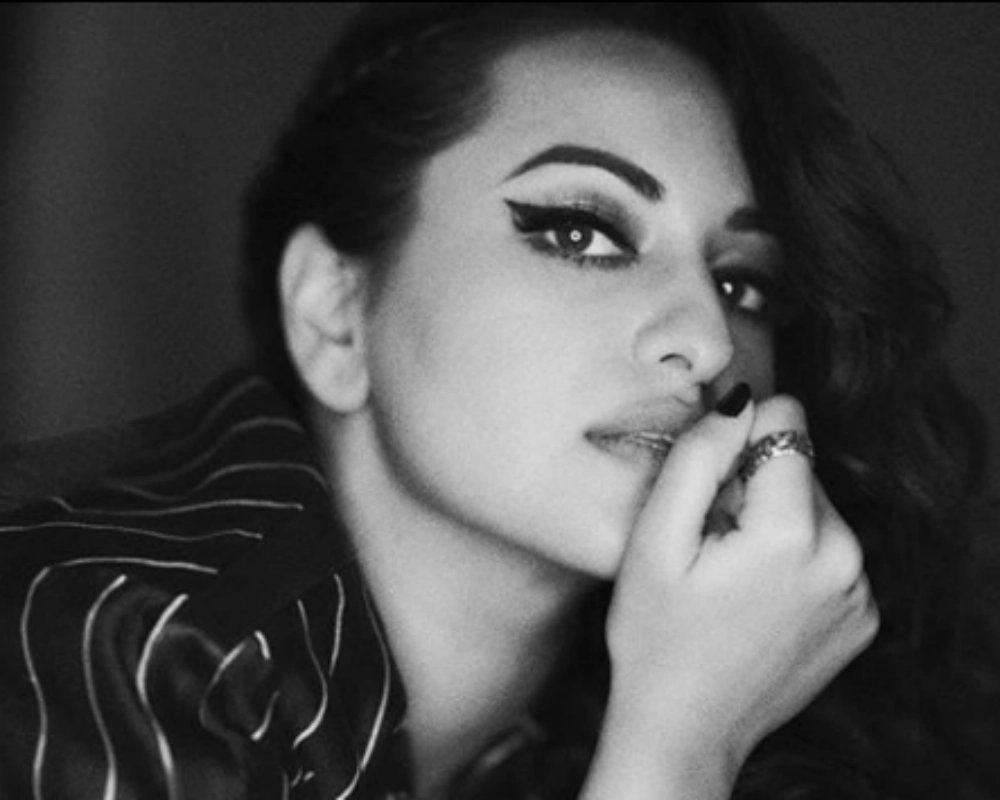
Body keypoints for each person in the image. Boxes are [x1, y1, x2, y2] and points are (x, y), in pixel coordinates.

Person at [0, 3, 997, 798]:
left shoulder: (578, 730)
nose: (705, 340)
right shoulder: (121, 638)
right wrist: (680, 745)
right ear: (334, 316)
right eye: (580, 232)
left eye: (743, 282)